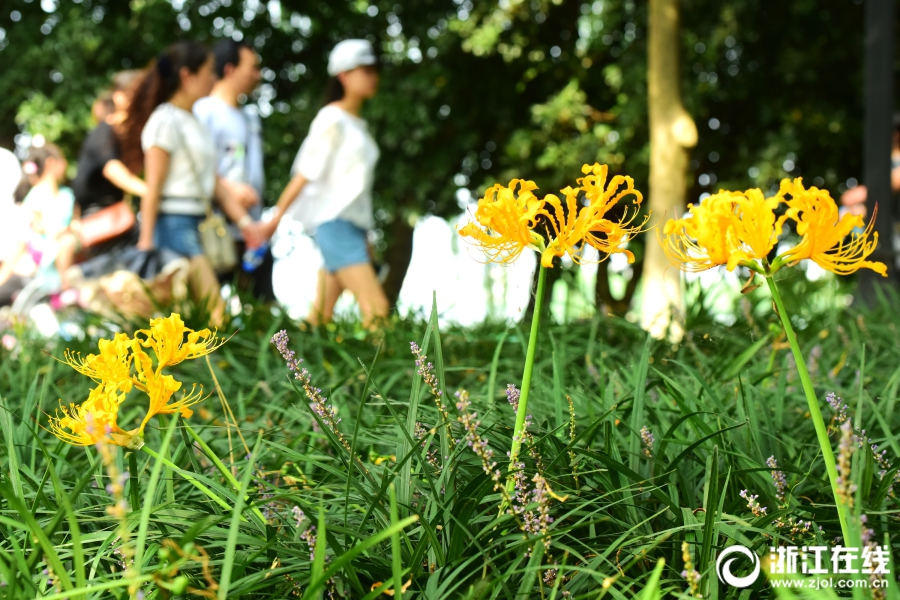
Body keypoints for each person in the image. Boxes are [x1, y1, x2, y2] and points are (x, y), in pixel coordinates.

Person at [118, 40, 264, 324]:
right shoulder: (164, 120)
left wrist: (246, 224)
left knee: (188, 313)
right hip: (173, 223)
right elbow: (154, 186)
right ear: (187, 75)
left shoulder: (193, 121)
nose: (214, 77)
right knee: (214, 309)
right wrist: (146, 242)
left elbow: (212, 181)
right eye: (209, 71)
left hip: (199, 220)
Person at [260, 39, 388, 328]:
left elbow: (358, 190)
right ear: (343, 75)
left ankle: (292, 366)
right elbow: (305, 173)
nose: (373, 76)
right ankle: (396, 373)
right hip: (335, 224)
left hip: (353, 226)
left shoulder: (359, 126)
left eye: (374, 69)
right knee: (377, 312)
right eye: (365, 70)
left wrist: (366, 237)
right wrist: (275, 219)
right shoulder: (332, 118)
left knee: (319, 320)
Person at [194, 38, 274, 300]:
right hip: (215, 230)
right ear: (229, 69)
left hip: (251, 231)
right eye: (252, 67)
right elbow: (194, 165)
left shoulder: (250, 117)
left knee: (261, 309)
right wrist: (229, 189)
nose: (257, 75)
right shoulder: (204, 111)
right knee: (208, 311)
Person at [64, 70, 146, 280]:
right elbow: (113, 170)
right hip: (103, 219)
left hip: (106, 217)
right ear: (120, 96)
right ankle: (83, 276)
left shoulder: (114, 136)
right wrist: (150, 192)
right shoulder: (104, 132)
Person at [1, 144, 75, 304]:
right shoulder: (34, 198)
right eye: (61, 159)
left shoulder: (66, 195)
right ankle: (65, 288)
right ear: (50, 163)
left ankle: (65, 289)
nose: (65, 164)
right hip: (41, 257)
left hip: (55, 255)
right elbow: (29, 235)